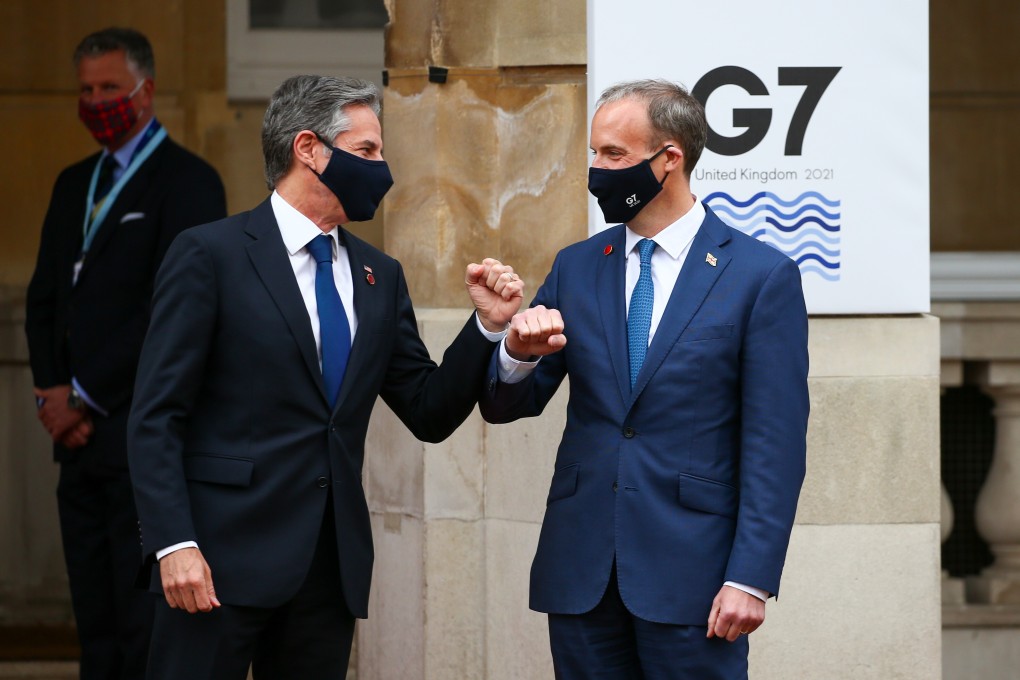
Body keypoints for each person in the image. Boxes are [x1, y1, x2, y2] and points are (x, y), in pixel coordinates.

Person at [127, 74, 524, 680]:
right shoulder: (209, 255)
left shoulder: (379, 275)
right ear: (308, 149)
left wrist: (487, 328)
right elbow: (156, 416)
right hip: (213, 562)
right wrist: (173, 542)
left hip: (326, 572)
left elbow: (429, 409)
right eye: (367, 150)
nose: (382, 168)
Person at [479, 79, 809, 679]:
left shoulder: (760, 276)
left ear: (669, 158)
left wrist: (751, 578)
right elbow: (506, 406)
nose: (597, 170)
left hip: (696, 580)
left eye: (614, 155)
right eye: (595, 153)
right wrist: (515, 353)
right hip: (581, 573)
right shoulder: (577, 266)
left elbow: (775, 446)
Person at [23, 27, 227, 680]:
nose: (95, 101)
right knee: (95, 622)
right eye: (86, 90)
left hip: (140, 439)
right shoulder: (72, 183)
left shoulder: (190, 183)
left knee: (143, 627)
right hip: (75, 442)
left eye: (109, 87)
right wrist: (52, 393)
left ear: (145, 90)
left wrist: (84, 396)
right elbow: (44, 297)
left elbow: (170, 313)